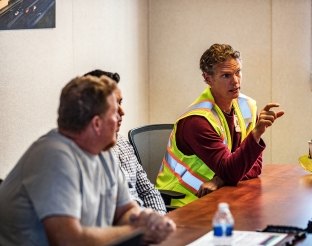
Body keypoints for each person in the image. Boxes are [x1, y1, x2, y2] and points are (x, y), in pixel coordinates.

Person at [0, 75, 175, 245]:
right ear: (97, 124)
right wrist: (137, 230)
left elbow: (124, 210)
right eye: (114, 112)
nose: (121, 115)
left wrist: (144, 220)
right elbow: (68, 240)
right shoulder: (54, 157)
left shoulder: (103, 151)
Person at [156, 43, 284, 207]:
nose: (235, 81)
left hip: (218, 197)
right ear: (208, 79)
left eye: (238, 72)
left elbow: (255, 166)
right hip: (182, 201)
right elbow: (232, 170)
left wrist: (220, 179)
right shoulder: (197, 121)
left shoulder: (247, 106)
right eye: (226, 76)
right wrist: (256, 134)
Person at [84, 69, 167, 215]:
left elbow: (147, 190)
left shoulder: (122, 142)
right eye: (114, 106)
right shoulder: (87, 153)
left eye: (120, 103)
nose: (122, 112)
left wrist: (160, 217)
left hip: (141, 223)